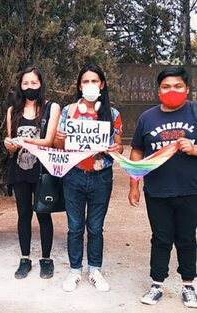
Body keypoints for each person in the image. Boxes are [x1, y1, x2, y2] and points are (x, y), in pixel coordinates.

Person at [129, 66, 197, 308]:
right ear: (158, 90)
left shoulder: (195, 111)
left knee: (187, 239)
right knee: (161, 239)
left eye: (178, 86)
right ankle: (157, 284)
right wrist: (134, 185)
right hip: (157, 190)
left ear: (187, 89)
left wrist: (195, 149)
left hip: (191, 190)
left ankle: (188, 286)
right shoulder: (147, 118)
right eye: (166, 86)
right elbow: (137, 151)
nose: (172, 90)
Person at [54, 64, 123, 292]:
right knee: (75, 227)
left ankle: (95, 270)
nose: (90, 85)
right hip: (74, 176)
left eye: (95, 81)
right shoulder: (69, 111)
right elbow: (58, 146)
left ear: (102, 85)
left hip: (101, 177)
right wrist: (60, 137)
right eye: (86, 81)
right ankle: (75, 271)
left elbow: (119, 148)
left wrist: (116, 146)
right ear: (79, 85)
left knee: (95, 227)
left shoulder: (112, 114)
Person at [3, 66, 61, 280]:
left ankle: (46, 259)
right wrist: (9, 144)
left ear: (41, 84)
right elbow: (11, 142)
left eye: (33, 83)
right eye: (25, 83)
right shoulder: (12, 111)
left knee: (43, 213)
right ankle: (25, 258)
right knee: (23, 214)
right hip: (20, 168)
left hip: (43, 169)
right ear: (20, 86)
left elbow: (49, 141)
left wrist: (23, 141)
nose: (29, 87)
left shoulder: (51, 108)